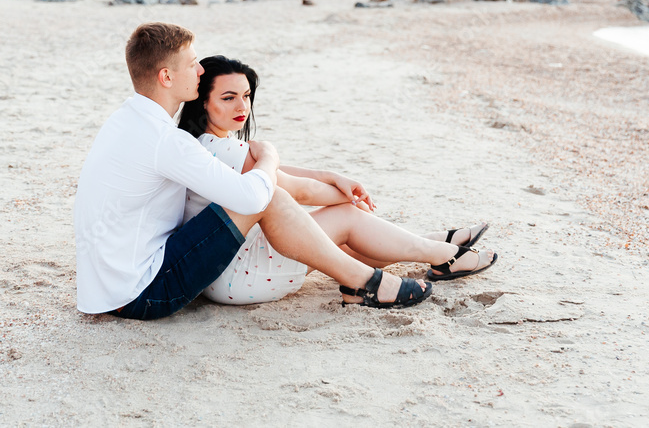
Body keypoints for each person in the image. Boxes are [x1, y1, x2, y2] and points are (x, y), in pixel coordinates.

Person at [74, 22, 433, 320]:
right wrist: (270, 157)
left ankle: (405, 258)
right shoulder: (167, 141)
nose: (200, 71)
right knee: (265, 195)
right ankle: (364, 281)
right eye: (193, 63)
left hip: (108, 288)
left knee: (269, 195)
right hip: (143, 294)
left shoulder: (126, 121)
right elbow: (252, 197)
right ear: (166, 76)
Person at [177, 55, 498, 306]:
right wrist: (347, 200)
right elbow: (298, 190)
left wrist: (331, 177)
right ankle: (444, 256)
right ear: (202, 102)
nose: (242, 106)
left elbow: (278, 172)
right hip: (241, 276)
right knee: (346, 218)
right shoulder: (223, 148)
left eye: (246, 96)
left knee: (348, 238)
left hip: (225, 273)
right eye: (228, 98)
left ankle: (431, 243)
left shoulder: (202, 145)